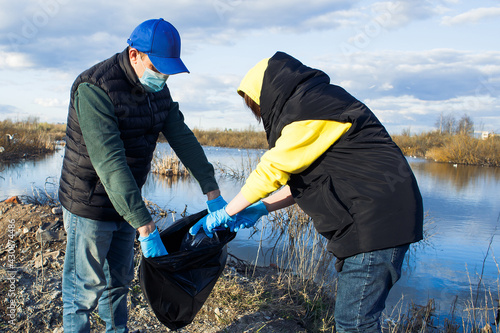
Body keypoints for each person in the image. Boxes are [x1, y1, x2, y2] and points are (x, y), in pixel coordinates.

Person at [190, 51, 424, 332]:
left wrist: (227, 212)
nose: (256, 112)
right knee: (356, 320)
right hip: (374, 220)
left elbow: (272, 169)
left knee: (355, 323)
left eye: (254, 104)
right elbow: (302, 181)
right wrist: (261, 207)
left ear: (267, 93)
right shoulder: (314, 104)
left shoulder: (310, 108)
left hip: (374, 222)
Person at [58, 18, 226, 333]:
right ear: (134, 54)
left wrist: (212, 191)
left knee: (119, 281)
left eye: (167, 70)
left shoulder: (157, 91)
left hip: (127, 204)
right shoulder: (94, 88)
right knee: (84, 290)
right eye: (157, 67)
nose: (162, 76)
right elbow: (110, 163)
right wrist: (147, 227)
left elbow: (183, 138)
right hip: (89, 202)